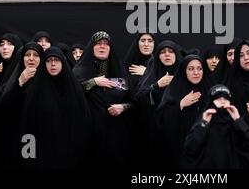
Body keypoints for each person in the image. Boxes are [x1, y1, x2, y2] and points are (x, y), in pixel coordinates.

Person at [20, 47, 90, 168]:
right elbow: (28, 124)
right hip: (42, 152)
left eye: (56, 60)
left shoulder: (73, 88)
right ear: (44, 64)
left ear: (63, 62)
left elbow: (83, 119)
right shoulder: (36, 90)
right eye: (48, 60)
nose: (53, 64)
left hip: (70, 152)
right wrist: (29, 155)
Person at [73, 31, 133, 168]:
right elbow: (70, 95)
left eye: (106, 44)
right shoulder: (79, 71)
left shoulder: (119, 71)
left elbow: (134, 101)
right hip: (88, 135)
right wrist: (93, 82)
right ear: (91, 47)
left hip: (116, 137)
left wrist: (124, 107)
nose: (102, 47)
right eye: (98, 44)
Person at [156, 55, 215, 168]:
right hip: (181, 152)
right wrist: (181, 104)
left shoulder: (211, 89)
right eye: (191, 69)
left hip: (208, 151)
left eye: (199, 68)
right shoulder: (174, 90)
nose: (196, 72)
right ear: (184, 71)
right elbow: (161, 120)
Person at [183, 84, 249, 169]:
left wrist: (238, 120)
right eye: (218, 99)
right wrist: (203, 125)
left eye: (226, 99)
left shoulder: (236, 124)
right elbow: (190, 148)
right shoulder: (204, 122)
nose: (222, 102)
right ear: (211, 102)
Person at [135, 40, 183, 168]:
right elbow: (139, 98)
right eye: (162, 52)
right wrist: (157, 85)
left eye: (171, 51)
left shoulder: (185, 75)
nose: (167, 54)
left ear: (176, 54)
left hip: (179, 130)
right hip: (155, 133)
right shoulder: (152, 73)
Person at [0, 42, 44, 168]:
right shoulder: (14, 79)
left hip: (42, 136)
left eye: (35, 55)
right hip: (19, 136)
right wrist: (19, 82)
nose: (31, 58)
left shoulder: (47, 81)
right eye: (27, 55)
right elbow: (4, 107)